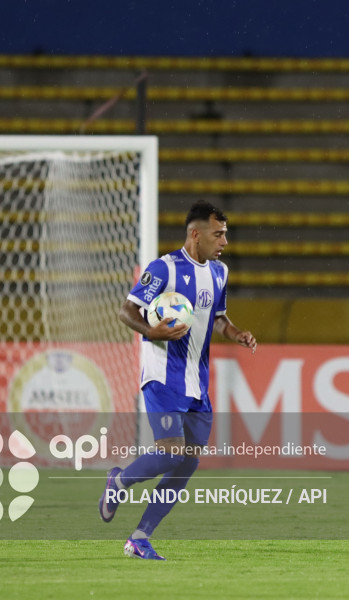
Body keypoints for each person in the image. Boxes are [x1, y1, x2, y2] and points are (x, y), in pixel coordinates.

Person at [99, 201, 257, 560]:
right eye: (218, 234)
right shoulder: (164, 269)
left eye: (226, 234)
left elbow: (217, 317)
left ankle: (140, 537)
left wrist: (235, 333)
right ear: (195, 234)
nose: (224, 242)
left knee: (187, 462)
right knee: (171, 451)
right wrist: (150, 330)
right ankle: (119, 481)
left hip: (196, 383)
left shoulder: (219, 273)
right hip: (162, 375)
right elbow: (127, 311)